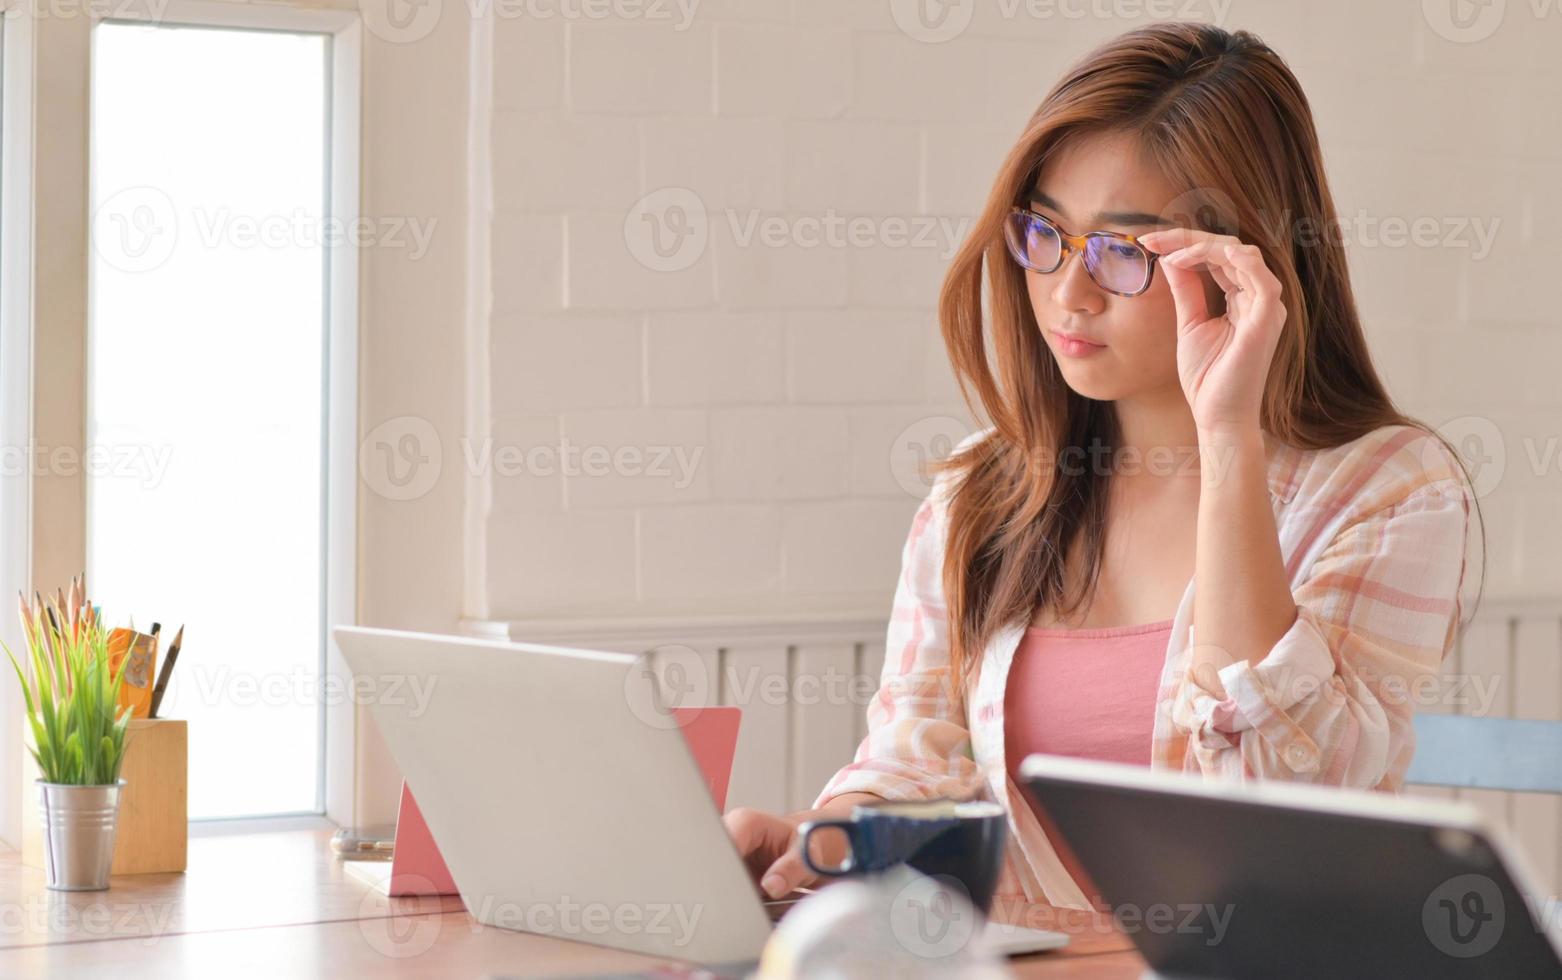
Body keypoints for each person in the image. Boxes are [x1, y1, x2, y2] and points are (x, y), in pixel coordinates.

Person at [724, 21, 1484, 913]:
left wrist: (1229, 435)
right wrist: (830, 840)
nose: (1066, 292)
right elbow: (913, 764)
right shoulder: (981, 493)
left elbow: (1286, 810)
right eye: (1044, 231)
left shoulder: (1388, 491)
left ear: (1246, 270)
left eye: (1124, 253)